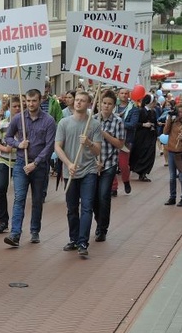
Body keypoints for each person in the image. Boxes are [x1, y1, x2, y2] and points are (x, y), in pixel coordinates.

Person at [3, 89, 57, 247]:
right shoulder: (18, 119)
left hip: (39, 166)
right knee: (19, 198)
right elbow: (7, 137)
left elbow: (49, 146)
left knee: (37, 199)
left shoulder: (49, 121)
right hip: (21, 163)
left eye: (34, 100)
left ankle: (35, 231)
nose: (31, 104)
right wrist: (18, 144)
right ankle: (15, 234)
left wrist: (35, 163)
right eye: (28, 100)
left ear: (40, 100)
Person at [54, 90, 103, 256]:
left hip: (88, 170)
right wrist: (68, 164)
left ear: (89, 104)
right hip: (71, 172)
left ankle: (83, 242)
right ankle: (73, 239)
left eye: (82, 100)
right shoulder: (64, 123)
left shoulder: (94, 125)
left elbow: (97, 151)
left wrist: (88, 142)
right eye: (77, 100)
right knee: (72, 208)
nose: (78, 103)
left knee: (87, 207)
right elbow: (57, 146)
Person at [92, 90, 125, 242]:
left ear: (113, 106)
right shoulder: (92, 120)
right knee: (93, 198)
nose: (106, 106)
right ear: (99, 104)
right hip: (93, 164)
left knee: (104, 195)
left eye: (109, 104)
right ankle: (99, 220)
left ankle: (102, 229)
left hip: (109, 163)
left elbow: (120, 144)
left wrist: (105, 134)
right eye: (104, 103)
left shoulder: (118, 122)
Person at [0, 96, 20, 234]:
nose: (17, 108)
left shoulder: (26, 124)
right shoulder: (2, 124)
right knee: (1, 187)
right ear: (9, 108)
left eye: (20, 106)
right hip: (4, 159)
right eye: (14, 106)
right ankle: (3, 221)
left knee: (19, 194)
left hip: (20, 160)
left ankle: (17, 222)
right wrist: (4, 149)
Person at [113, 88, 139, 195]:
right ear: (118, 94)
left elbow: (132, 125)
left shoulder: (134, 108)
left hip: (126, 140)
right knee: (112, 165)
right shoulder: (113, 107)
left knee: (123, 165)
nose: (124, 95)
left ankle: (126, 180)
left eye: (126, 93)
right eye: (122, 93)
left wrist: (118, 120)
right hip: (111, 139)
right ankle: (113, 188)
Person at [129, 94, 158, 182]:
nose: (155, 103)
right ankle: (139, 171)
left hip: (150, 136)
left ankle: (144, 173)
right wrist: (143, 124)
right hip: (141, 137)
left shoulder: (153, 112)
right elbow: (135, 124)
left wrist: (154, 125)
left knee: (149, 154)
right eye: (154, 101)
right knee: (141, 153)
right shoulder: (140, 111)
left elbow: (155, 122)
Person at [163, 102, 182, 206]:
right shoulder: (173, 121)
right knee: (172, 177)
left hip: (181, 153)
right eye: (178, 111)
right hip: (171, 150)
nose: (179, 113)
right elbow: (165, 132)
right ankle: (172, 197)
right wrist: (169, 119)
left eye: (181, 111)